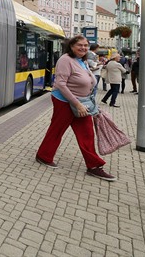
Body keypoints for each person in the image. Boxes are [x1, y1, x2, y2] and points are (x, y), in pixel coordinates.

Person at [36, 35, 116, 182]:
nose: (83, 48)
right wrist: (76, 104)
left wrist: (89, 102)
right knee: (57, 129)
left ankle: (94, 166)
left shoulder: (82, 60)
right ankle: (44, 156)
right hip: (64, 101)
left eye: (86, 45)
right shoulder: (65, 60)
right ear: (71, 46)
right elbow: (61, 84)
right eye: (80, 45)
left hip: (83, 102)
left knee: (87, 133)